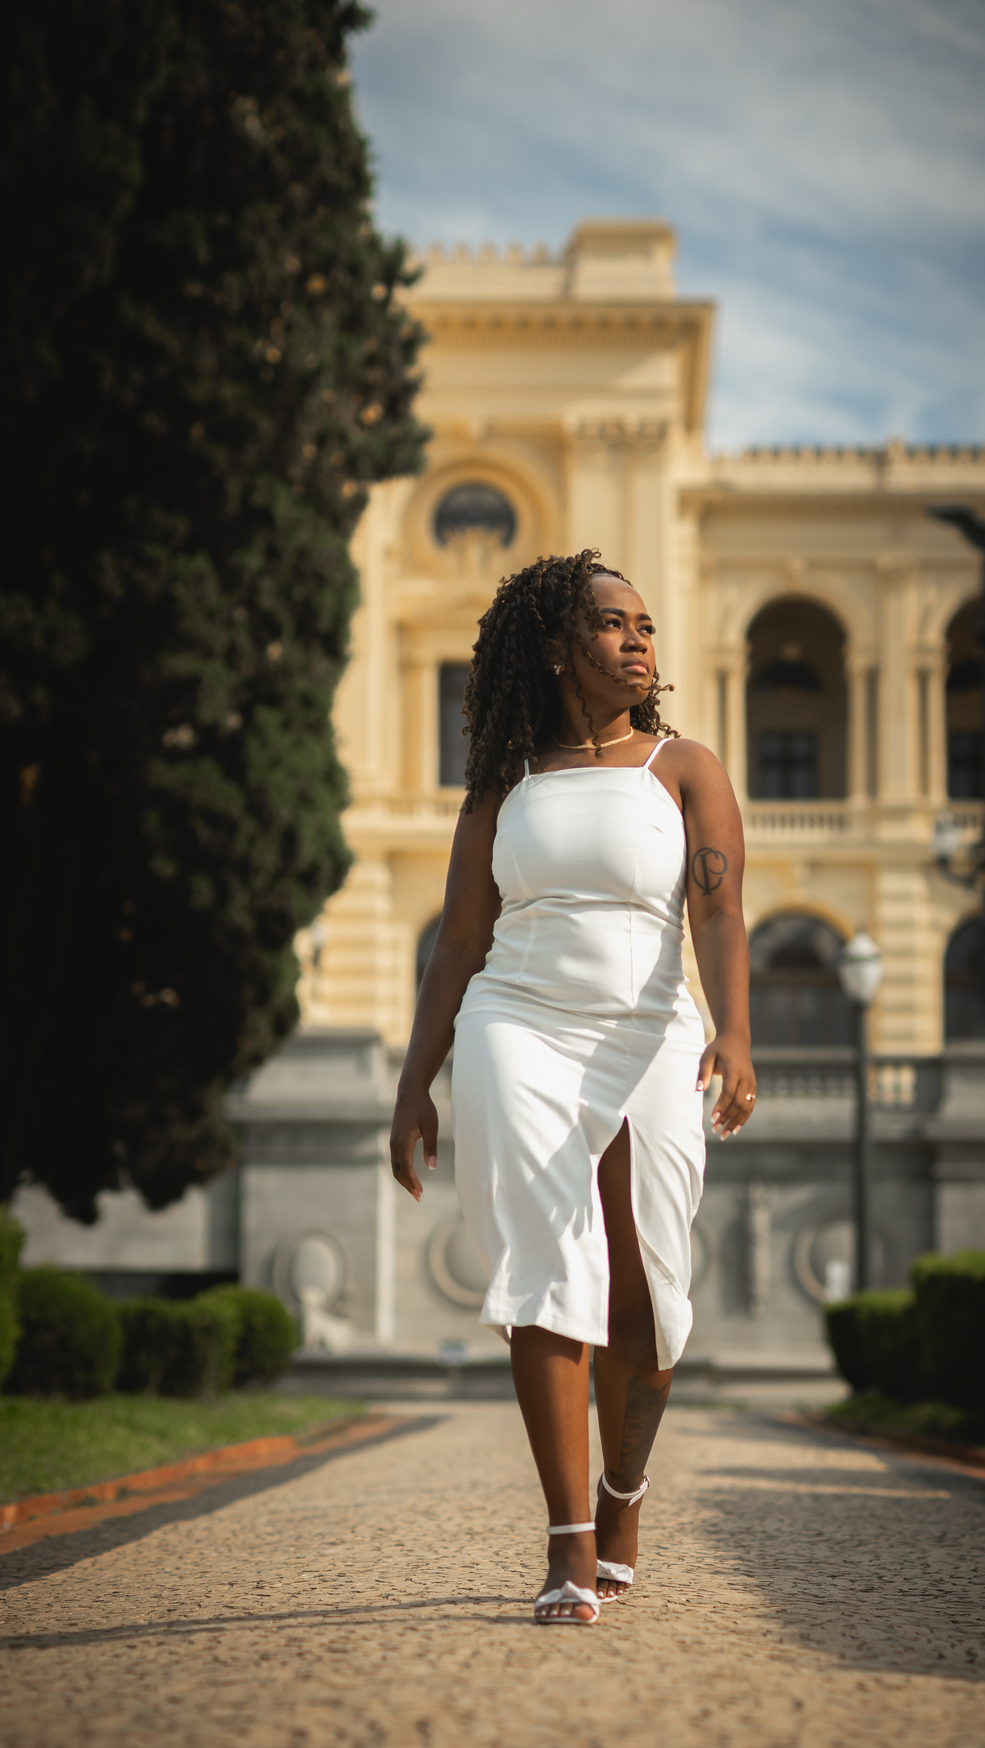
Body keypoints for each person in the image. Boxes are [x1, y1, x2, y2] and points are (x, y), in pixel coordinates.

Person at [389, 548, 753, 1626]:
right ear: (556, 650)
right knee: (544, 1271)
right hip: (519, 1024)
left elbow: (720, 912)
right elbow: (458, 941)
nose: (638, 641)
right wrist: (417, 1082)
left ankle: (622, 1494)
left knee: (645, 1296)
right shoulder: (505, 784)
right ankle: (566, 1545)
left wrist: (734, 1030)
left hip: (649, 1030)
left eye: (645, 625)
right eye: (612, 624)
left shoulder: (685, 768)